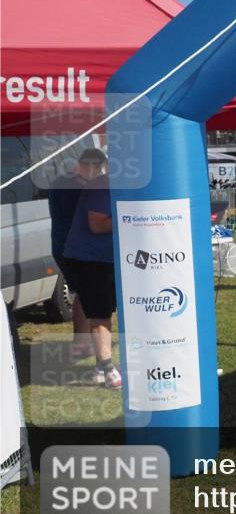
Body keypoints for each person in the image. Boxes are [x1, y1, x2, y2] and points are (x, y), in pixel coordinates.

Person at [62, 154, 120, 388]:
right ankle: (107, 369)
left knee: (106, 309)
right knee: (100, 312)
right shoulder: (101, 185)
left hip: (106, 257)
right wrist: (132, 218)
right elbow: (96, 225)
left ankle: (99, 366)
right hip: (90, 258)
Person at [48, 148, 106, 359]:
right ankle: (82, 344)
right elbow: (91, 220)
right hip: (76, 248)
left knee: (82, 293)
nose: (99, 174)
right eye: (99, 170)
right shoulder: (81, 188)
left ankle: (81, 342)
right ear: (90, 166)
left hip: (60, 245)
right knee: (87, 294)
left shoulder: (60, 182)